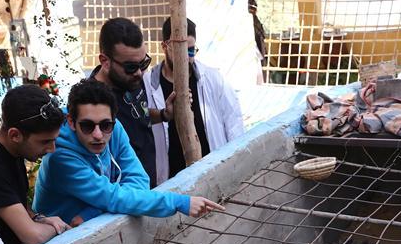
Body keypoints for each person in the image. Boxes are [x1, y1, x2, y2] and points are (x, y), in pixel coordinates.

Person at [33, 79, 223, 225]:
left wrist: (95, 210)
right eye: (87, 126)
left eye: (106, 125)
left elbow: (140, 180)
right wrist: (179, 202)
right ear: (72, 122)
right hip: (60, 239)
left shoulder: (115, 128)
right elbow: (114, 197)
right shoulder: (60, 155)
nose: (98, 135)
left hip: (87, 224)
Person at [0, 85, 70, 244]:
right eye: (45, 141)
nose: (52, 149)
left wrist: (39, 218)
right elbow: (32, 236)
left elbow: (20, 206)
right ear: (14, 135)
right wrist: (58, 227)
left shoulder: (11, 150)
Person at [144, 17, 245, 182]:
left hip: (213, 177)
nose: (187, 57)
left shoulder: (214, 79)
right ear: (165, 46)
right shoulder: (148, 85)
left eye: (191, 51)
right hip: (170, 181)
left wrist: (235, 168)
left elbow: (235, 125)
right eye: (180, 50)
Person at [90, 17, 167, 188]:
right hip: (126, 197)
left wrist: (163, 114)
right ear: (105, 61)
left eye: (144, 63)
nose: (139, 73)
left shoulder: (131, 80)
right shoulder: (91, 103)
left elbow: (140, 114)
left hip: (151, 187)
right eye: (131, 67)